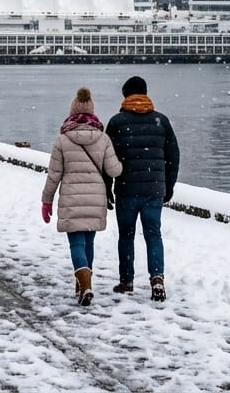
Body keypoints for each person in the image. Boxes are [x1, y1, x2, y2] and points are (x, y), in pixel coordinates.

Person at [41, 87, 122, 307]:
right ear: (92, 112)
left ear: (72, 112)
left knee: (76, 243)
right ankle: (84, 284)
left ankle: (84, 284)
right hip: (96, 198)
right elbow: (114, 170)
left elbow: (53, 175)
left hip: (71, 198)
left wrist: (46, 201)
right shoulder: (103, 139)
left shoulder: (62, 140)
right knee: (88, 242)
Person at [105, 75, 179, 301]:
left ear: (125, 95)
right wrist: (168, 185)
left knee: (126, 236)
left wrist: (107, 188)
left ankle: (126, 281)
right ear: (145, 94)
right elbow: (173, 156)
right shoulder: (161, 121)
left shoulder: (117, 122)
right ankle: (157, 278)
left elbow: (107, 159)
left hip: (126, 189)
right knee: (153, 234)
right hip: (153, 189)